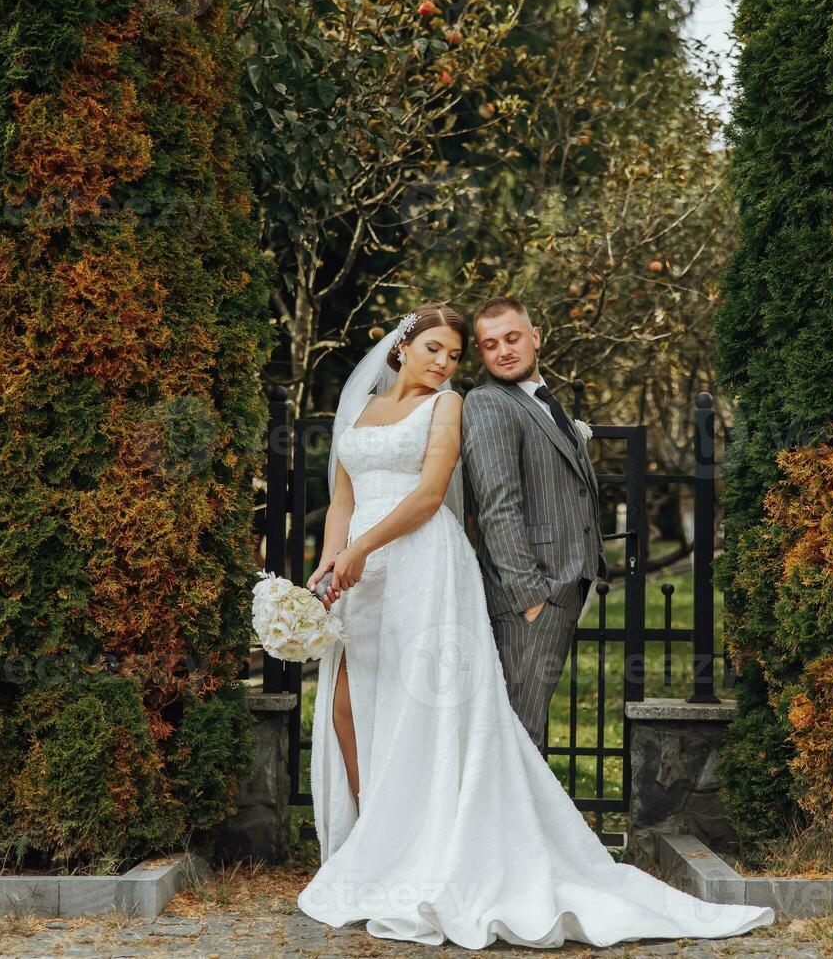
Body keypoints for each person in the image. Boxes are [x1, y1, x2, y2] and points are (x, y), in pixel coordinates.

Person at [297, 303, 774, 948]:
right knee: (351, 706)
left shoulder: (451, 407)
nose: (445, 363)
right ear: (401, 347)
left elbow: (432, 495)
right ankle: (375, 843)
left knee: (426, 708)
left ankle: (432, 850)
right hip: (360, 570)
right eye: (435, 349)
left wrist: (361, 549)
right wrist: (332, 558)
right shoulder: (357, 414)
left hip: (418, 563)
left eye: (454, 355)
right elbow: (343, 501)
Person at [460, 295, 603, 753]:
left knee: (525, 726)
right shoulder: (487, 403)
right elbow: (497, 505)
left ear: (536, 337)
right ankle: (507, 826)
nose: (503, 350)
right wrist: (529, 597)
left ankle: (524, 824)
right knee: (518, 735)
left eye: (512, 338)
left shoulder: (544, 402)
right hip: (531, 595)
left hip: (563, 584)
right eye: (489, 344)